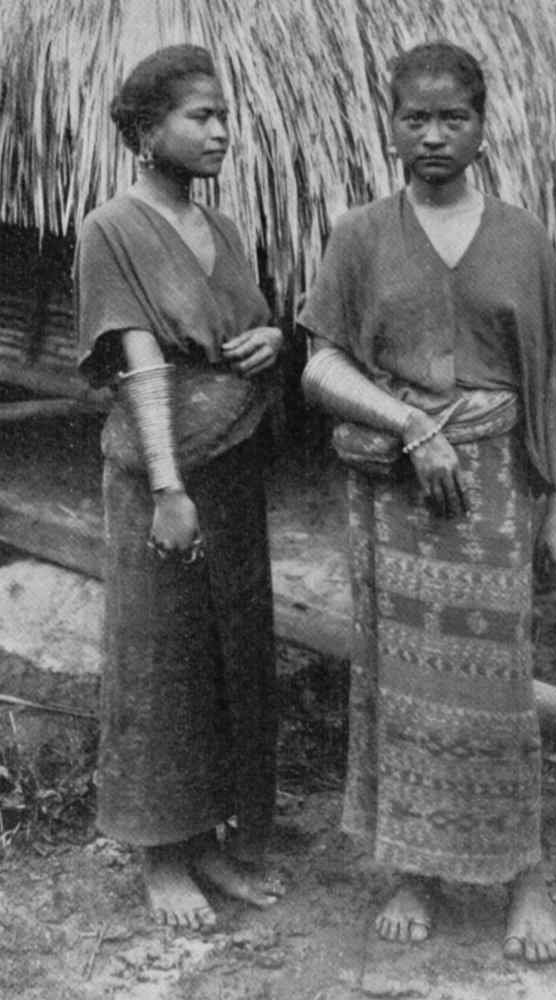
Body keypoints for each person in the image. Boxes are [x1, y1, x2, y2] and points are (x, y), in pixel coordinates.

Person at [299, 40, 556, 963]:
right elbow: (320, 364)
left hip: (496, 488)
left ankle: (522, 875)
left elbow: (545, 382)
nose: (433, 136)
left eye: (452, 117)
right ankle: (412, 867)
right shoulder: (361, 235)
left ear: (483, 124)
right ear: (390, 124)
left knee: (502, 686)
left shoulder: (525, 237)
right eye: (415, 118)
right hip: (396, 493)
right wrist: (412, 428)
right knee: (398, 682)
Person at [74, 44, 284, 930]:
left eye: (224, 116)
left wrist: (274, 340)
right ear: (145, 128)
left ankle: (211, 842)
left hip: (233, 464)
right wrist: (167, 486)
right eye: (200, 116)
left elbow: (252, 323)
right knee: (160, 658)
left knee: (228, 654)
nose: (221, 132)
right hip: (165, 474)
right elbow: (139, 360)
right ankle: (161, 853)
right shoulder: (111, 228)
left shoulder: (225, 229)